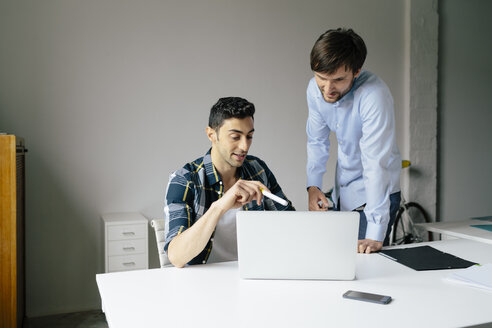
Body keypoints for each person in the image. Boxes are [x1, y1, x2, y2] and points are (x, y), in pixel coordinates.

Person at [164, 97, 295, 268]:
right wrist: (220, 207)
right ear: (211, 135)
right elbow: (176, 256)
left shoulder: (257, 169)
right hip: (202, 283)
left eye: (249, 137)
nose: (244, 146)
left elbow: (291, 227)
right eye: (235, 137)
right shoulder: (185, 179)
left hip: (255, 275)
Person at [306, 28, 401, 254]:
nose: (328, 89)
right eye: (322, 78)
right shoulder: (314, 89)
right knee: (335, 263)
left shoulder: (373, 95)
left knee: (365, 270)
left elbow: (375, 163)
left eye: (338, 80)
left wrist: (375, 232)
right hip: (342, 192)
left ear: (356, 72)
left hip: (375, 197)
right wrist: (313, 185)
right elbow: (317, 141)